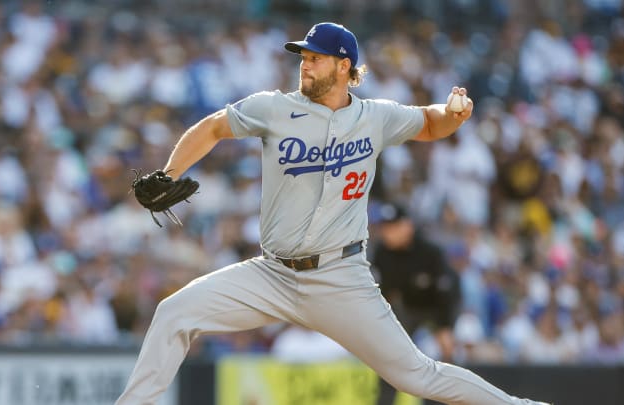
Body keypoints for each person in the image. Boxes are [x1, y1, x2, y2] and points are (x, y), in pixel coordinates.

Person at [115, 22, 550, 405]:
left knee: (415, 375)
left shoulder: (374, 116)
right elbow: (212, 127)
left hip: (340, 277)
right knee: (174, 312)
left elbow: (431, 123)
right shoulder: (275, 107)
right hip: (272, 275)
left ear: (344, 66)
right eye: (303, 57)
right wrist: (169, 172)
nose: (304, 64)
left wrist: (454, 114)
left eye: (315, 58)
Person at [371, 202, 461, 405]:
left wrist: (445, 327)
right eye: (385, 227)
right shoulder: (382, 253)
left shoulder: (430, 252)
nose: (387, 232)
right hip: (407, 309)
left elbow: (446, 292)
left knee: (443, 355)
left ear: (407, 226)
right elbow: (380, 291)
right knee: (390, 357)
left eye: (392, 227)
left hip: (437, 309)